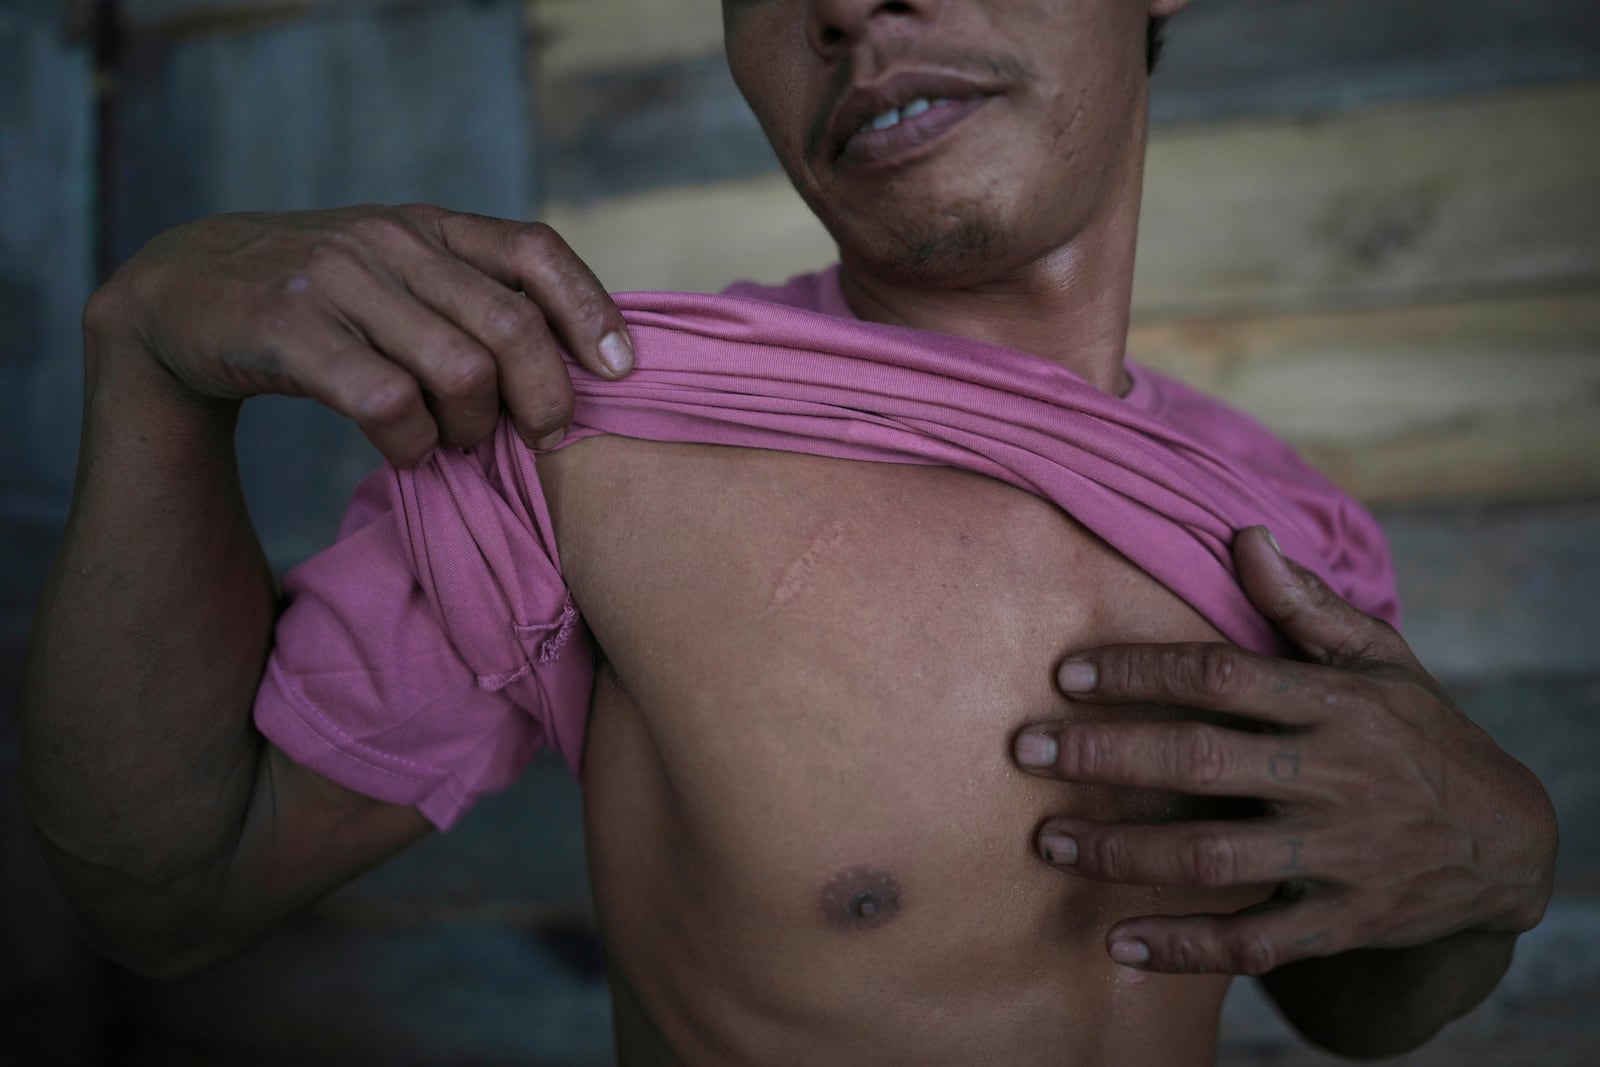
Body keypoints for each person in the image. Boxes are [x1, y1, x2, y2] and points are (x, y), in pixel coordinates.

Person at [20, 1, 1557, 1063]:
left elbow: (1358, 1001)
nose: (848, 8)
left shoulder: (1293, 531)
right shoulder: (584, 434)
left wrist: (1497, 870)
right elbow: (170, 888)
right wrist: (146, 358)